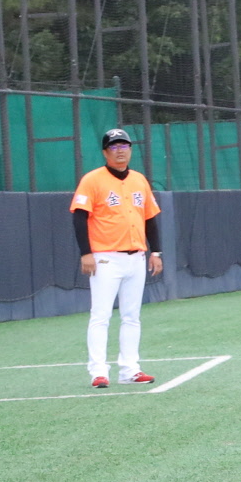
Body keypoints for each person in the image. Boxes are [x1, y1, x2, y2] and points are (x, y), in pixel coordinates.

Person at [71, 128, 162, 388]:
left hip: (136, 257)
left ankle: (130, 369)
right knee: (100, 316)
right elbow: (79, 217)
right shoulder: (92, 179)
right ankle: (98, 371)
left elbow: (150, 218)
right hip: (105, 257)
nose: (120, 150)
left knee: (131, 316)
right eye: (114, 146)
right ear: (104, 152)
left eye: (125, 145)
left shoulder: (139, 180)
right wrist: (86, 253)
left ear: (131, 150)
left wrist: (155, 251)